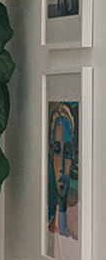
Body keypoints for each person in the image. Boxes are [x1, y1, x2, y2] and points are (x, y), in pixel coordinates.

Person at [47, 100, 79, 251]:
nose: (60, 167)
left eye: (67, 152)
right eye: (56, 151)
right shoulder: (51, 226)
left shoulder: (77, 226)